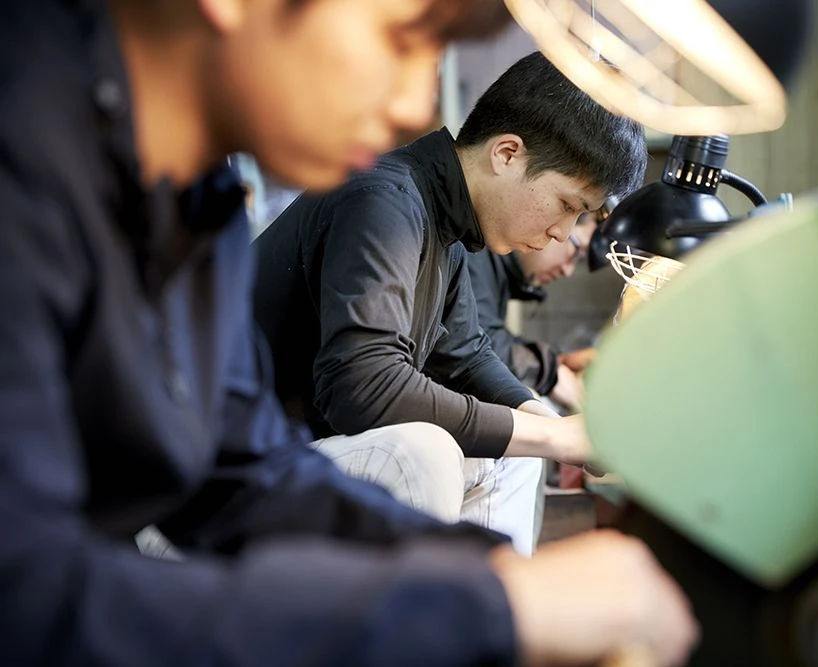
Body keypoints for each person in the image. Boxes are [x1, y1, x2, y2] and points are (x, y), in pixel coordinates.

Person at [0, 0, 699, 665]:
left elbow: (249, 471)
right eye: (400, 39)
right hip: (121, 571)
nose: (414, 106)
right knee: (426, 452)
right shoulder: (27, 159)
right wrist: (491, 609)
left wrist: (503, 574)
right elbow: (28, 600)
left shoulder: (204, 210)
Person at [252, 51, 645, 554]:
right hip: (217, 487)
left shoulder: (447, 228)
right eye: (567, 205)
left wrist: (555, 425)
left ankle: (491, 599)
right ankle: (444, 603)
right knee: (424, 450)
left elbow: (467, 356)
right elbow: (364, 386)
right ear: (507, 153)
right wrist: (555, 438)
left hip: (295, 467)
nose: (562, 233)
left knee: (516, 454)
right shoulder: (384, 199)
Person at [467, 210, 605, 414]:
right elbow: (475, 343)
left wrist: (558, 361)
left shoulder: (495, 271)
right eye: (576, 251)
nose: (568, 271)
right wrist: (550, 372)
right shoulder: (474, 254)